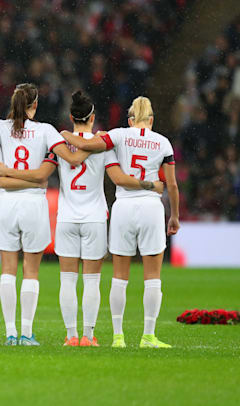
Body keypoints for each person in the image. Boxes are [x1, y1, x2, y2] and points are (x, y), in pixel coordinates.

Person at [0, 90, 164, 346]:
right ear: (92, 117)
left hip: (67, 218)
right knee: (92, 280)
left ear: (71, 116)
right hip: (94, 216)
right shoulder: (101, 145)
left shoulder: (60, 145)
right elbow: (116, 176)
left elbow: (46, 171)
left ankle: (71, 335)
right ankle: (88, 335)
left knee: (68, 280)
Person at [0, 84, 94, 346]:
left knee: (8, 271)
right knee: (31, 271)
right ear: (34, 105)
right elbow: (73, 160)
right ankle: (26, 333)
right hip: (34, 204)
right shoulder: (46, 130)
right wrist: (36, 178)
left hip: (7, 205)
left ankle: (11, 333)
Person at [59, 96, 180, 348]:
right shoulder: (163, 142)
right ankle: (148, 336)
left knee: (119, 276)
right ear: (152, 119)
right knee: (153, 277)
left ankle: (117, 336)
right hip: (150, 206)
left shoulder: (119, 135)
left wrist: (65, 136)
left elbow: (91, 144)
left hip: (123, 207)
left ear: (130, 119)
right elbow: (173, 184)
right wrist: (175, 216)